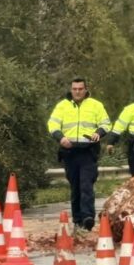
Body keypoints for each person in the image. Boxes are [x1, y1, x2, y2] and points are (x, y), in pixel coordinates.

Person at [47, 78, 112, 231]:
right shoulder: (62, 106)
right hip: (69, 151)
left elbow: (106, 123)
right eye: (75, 89)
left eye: (80, 89)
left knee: (86, 184)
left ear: (85, 89)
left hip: (88, 151)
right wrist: (60, 138)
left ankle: (88, 217)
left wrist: (99, 133)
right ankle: (77, 219)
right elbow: (52, 124)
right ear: (71, 89)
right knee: (75, 187)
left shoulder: (95, 105)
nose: (77, 91)